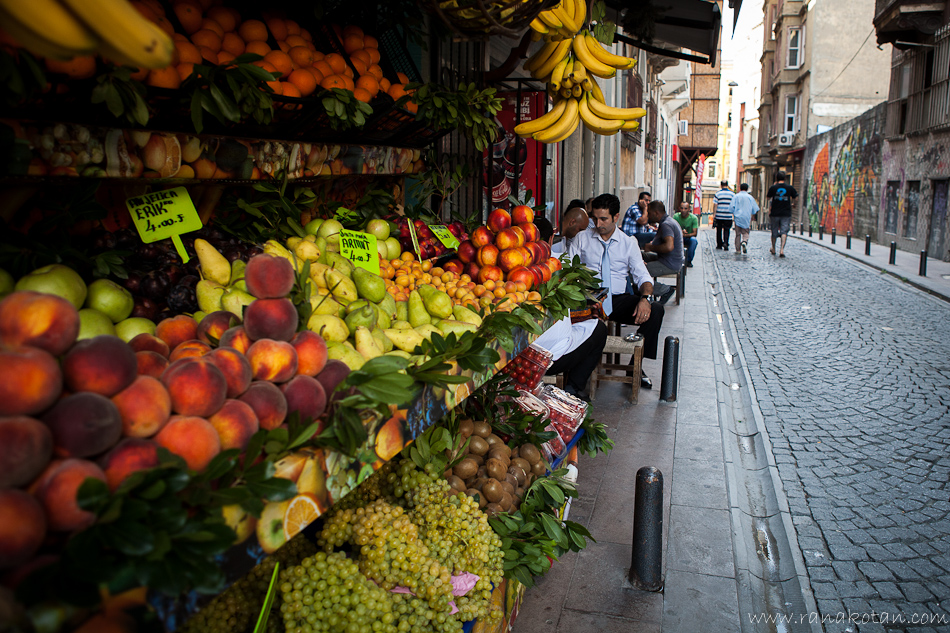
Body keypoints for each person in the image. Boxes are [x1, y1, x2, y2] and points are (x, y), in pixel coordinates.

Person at [568, 193, 666, 389]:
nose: (598, 224)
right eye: (595, 218)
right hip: (590, 298)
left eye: (603, 219)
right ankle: (576, 380)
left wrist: (645, 299)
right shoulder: (582, 238)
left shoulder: (628, 243)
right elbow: (568, 269)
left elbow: (643, 276)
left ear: (616, 217)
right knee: (587, 325)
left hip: (618, 299)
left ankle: (635, 367)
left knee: (656, 310)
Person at [533, 316, 607, 402]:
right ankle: (573, 388)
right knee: (600, 329)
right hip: (554, 360)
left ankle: (573, 387)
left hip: (524, 360)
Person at [641, 200, 683, 305]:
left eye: (649, 213)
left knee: (639, 273)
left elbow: (669, 247)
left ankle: (665, 290)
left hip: (669, 264)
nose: (648, 216)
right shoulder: (668, 221)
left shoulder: (666, 225)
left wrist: (651, 247)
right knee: (641, 254)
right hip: (666, 258)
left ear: (656, 213)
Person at [767, 171, 798, 257]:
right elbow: (796, 196)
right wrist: (794, 204)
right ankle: (782, 250)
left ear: (776, 178)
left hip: (775, 212)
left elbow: (768, 197)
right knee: (784, 231)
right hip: (786, 212)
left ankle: (773, 248)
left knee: (774, 231)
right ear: (785, 178)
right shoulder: (789, 188)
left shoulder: (773, 187)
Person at [730, 183, 759, 254]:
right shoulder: (750, 197)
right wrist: (752, 215)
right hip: (746, 217)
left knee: (738, 234)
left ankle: (738, 250)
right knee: (745, 232)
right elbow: (755, 209)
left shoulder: (736, 196)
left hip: (737, 217)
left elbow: (731, 207)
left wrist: (734, 213)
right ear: (747, 189)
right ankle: (744, 241)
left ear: (740, 188)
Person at [674, 201, 699, 267]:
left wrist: (685, 235)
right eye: (682, 208)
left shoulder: (693, 218)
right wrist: (680, 232)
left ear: (689, 209)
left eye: (685, 208)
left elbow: (695, 233)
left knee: (694, 240)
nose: (683, 210)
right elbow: (673, 230)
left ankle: (688, 261)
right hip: (678, 237)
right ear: (679, 208)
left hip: (688, 238)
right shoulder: (676, 216)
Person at [713, 180, 735, 250]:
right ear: (727, 185)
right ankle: (726, 242)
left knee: (719, 230)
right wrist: (733, 215)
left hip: (719, 215)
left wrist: (714, 214)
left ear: (721, 185)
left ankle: (719, 244)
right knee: (727, 230)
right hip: (728, 215)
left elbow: (715, 205)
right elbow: (733, 205)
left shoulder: (718, 194)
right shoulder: (732, 194)